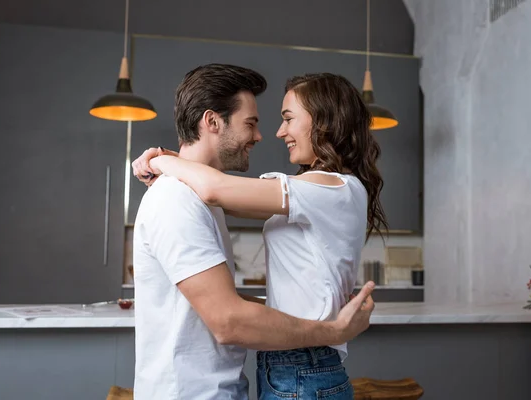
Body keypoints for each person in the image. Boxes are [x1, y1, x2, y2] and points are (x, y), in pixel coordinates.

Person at [134, 71, 388, 399]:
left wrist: (162, 160)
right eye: (251, 123)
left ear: (324, 121)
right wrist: (170, 164)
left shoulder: (332, 187)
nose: (272, 133)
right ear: (212, 122)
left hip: (300, 366)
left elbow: (216, 189)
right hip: (287, 366)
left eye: (288, 119)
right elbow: (221, 196)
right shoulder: (180, 198)